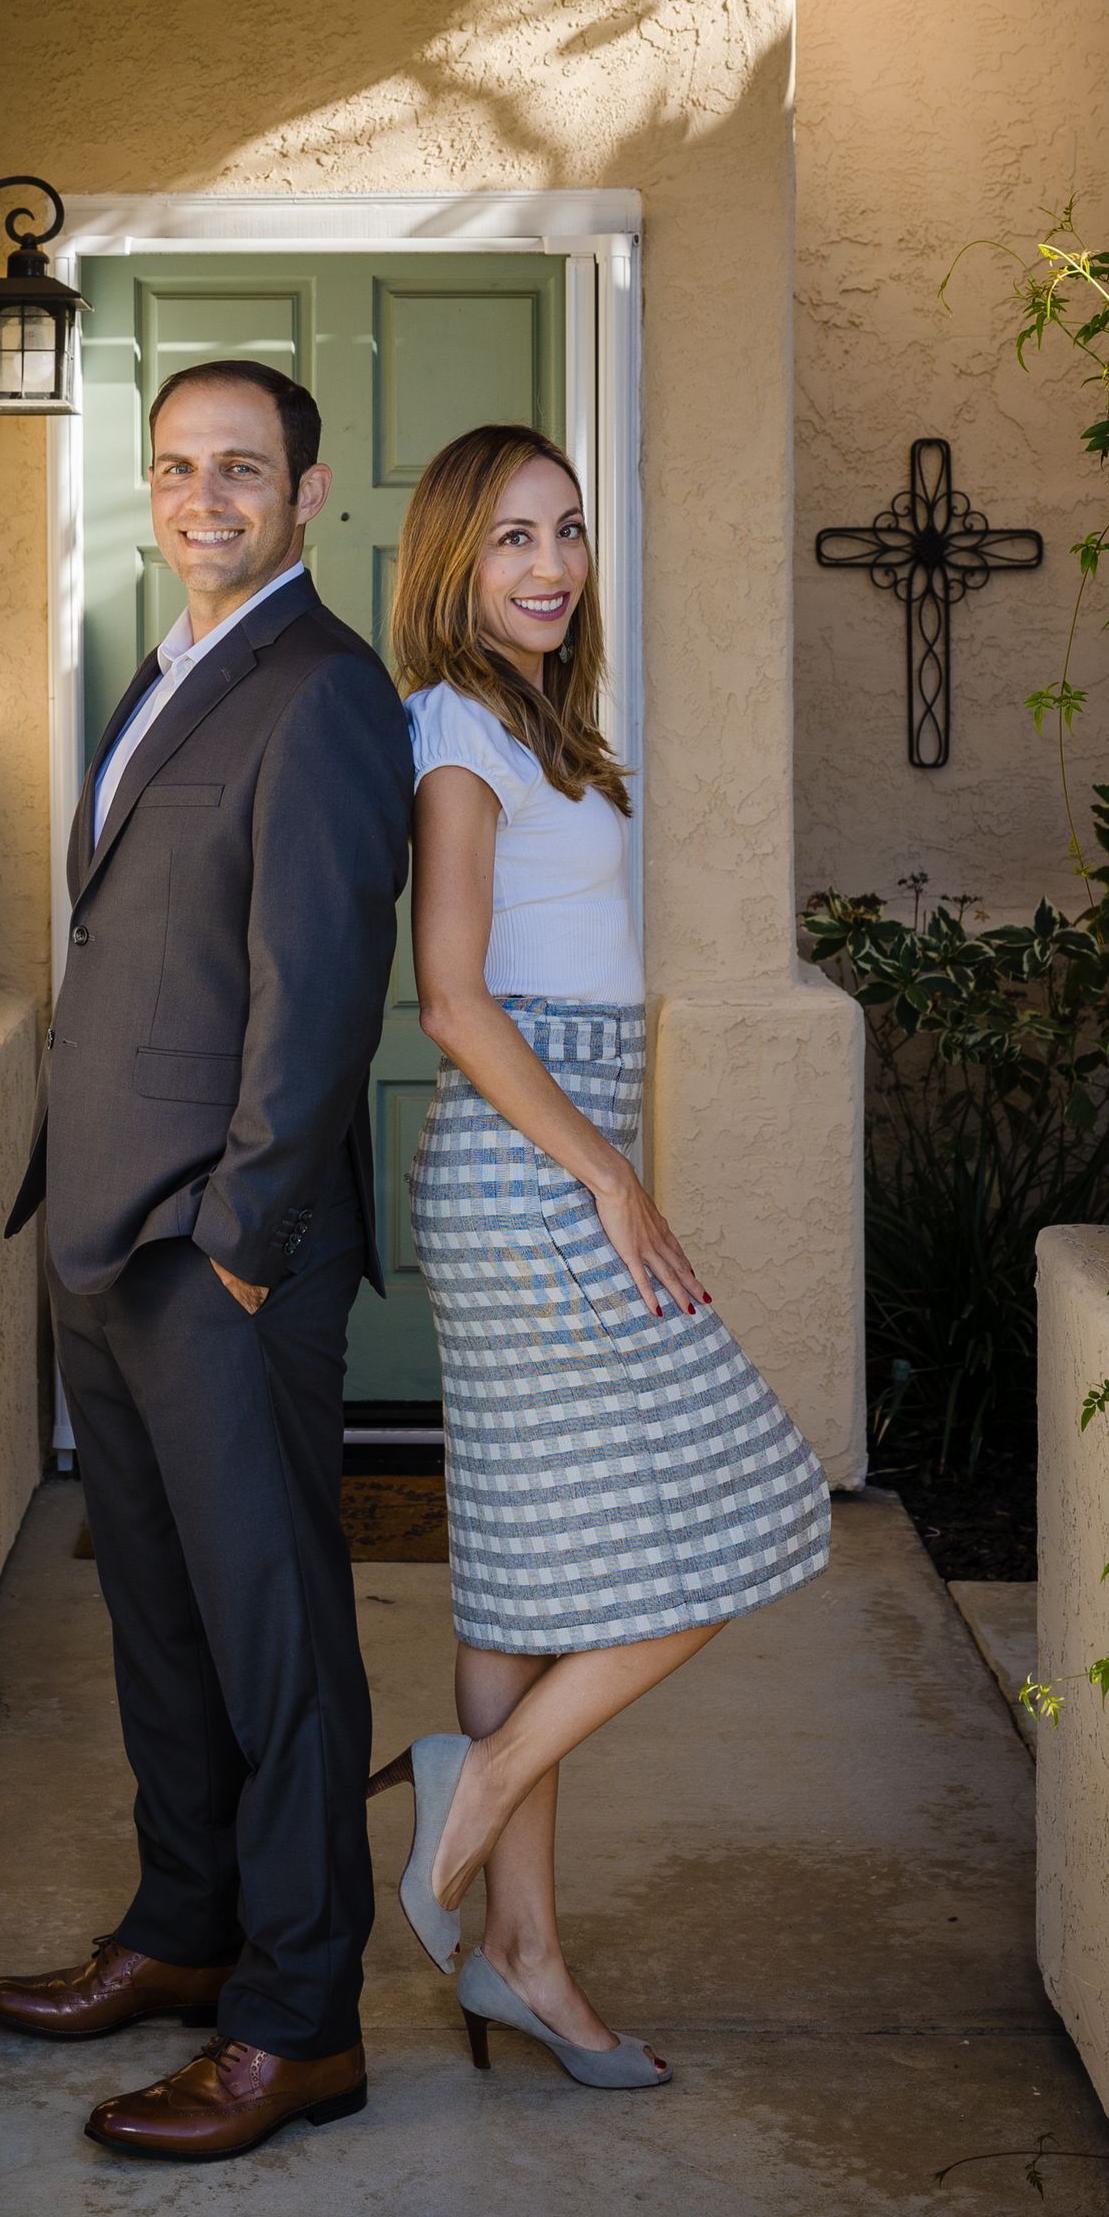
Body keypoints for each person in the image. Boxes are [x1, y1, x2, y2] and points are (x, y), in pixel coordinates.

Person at [0, 359, 414, 2162]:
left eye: (243, 469)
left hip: (217, 1247)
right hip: (103, 1227)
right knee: (156, 1622)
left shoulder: (322, 688)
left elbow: (320, 996)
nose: (203, 496)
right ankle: (184, 1932)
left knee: (276, 1636)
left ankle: (300, 2023)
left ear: (310, 494)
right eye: (175, 467)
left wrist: (240, 1240)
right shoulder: (164, 672)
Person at [368, 422, 829, 2087]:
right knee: (763, 1506)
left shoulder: (533, 725)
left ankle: (522, 1958)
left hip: (545, 1163)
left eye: (566, 532)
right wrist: (613, 1180)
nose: (551, 565)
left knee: (526, 1578)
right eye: (511, 540)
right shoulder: (449, 732)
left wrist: (608, 1162)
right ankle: (472, 1792)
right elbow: (454, 997)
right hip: (527, 1180)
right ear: (450, 564)